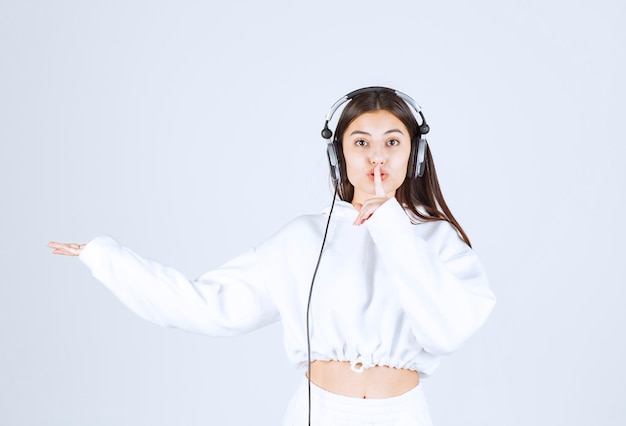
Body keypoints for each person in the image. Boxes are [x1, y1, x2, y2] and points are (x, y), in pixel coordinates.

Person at [49, 87, 496, 425]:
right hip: (316, 413)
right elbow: (209, 307)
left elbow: (448, 331)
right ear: (339, 155)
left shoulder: (437, 241)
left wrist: (393, 226)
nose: (376, 156)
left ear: (413, 154)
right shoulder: (302, 238)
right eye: (360, 142)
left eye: (392, 142)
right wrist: (106, 258)